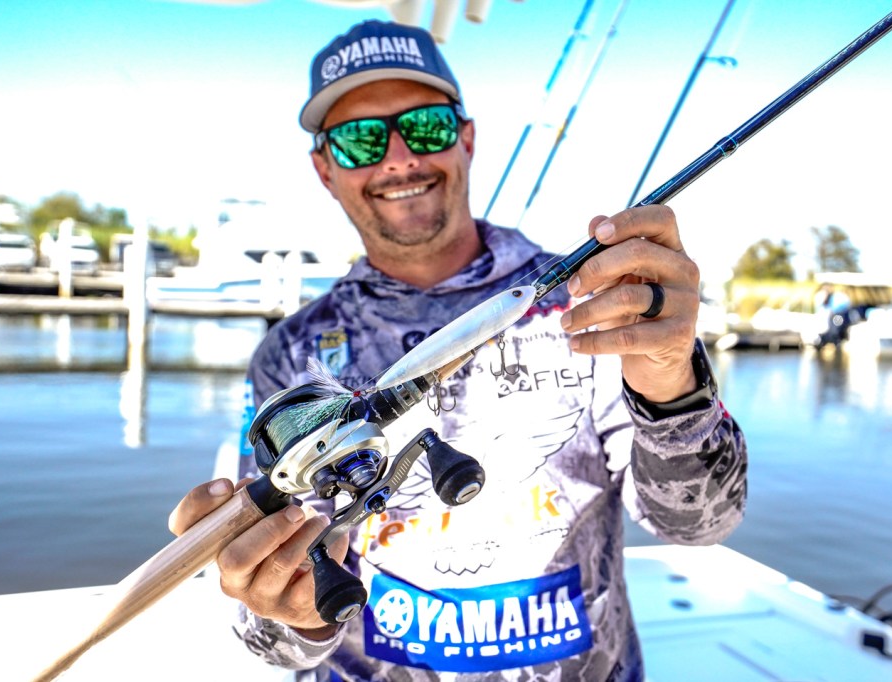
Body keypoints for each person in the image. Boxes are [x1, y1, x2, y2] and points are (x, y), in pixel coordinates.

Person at [169, 19, 748, 681]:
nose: (398, 158)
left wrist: (672, 383)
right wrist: (289, 608)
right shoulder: (292, 355)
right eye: (360, 139)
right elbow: (278, 642)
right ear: (325, 169)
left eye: (426, 127)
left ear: (466, 138)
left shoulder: (596, 300)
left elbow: (699, 527)